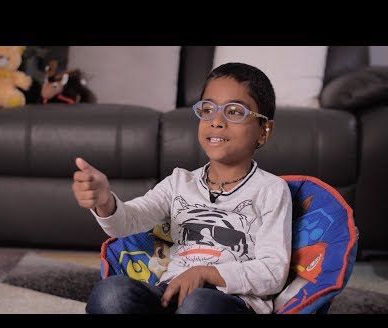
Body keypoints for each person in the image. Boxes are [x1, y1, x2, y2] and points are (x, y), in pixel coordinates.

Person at [72, 62, 292, 314]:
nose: (216, 121)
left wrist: (205, 273)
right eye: (207, 109)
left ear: (264, 131)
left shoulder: (271, 190)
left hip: (228, 301)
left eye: (234, 112)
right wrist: (104, 201)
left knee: (198, 303)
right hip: (169, 294)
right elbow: (128, 223)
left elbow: (273, 271)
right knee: (111, 293)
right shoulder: (178, 183)